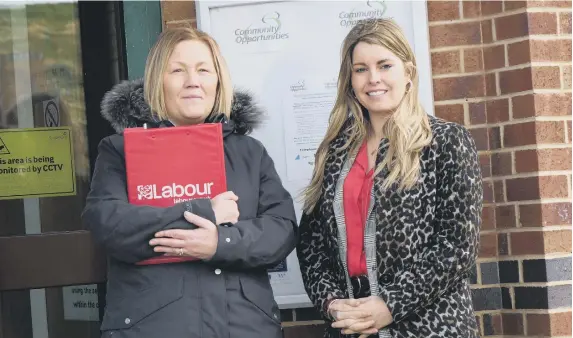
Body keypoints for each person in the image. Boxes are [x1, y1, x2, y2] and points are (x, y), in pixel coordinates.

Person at [82, 25, 297, 338]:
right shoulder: (121, 151)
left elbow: (281, 229)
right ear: (158, 80)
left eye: (203, 70)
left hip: (244, 326)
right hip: (153, 327)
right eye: (177, 70)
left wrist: (219, 243)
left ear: (217, 80)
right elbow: (109, 223)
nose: (193, 81)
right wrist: (204, 212)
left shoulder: (249, 152)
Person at [297, 18, 482, 338]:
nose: (373, 79)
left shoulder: (446, 142)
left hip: (429, 326)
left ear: (408, 73)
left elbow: (457, 248)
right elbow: (312, 244)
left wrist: (389, 305)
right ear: (350, 80)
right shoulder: (334, 151)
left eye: (384, 65)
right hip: (351, 328)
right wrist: (333, 304)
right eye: (361, 69)